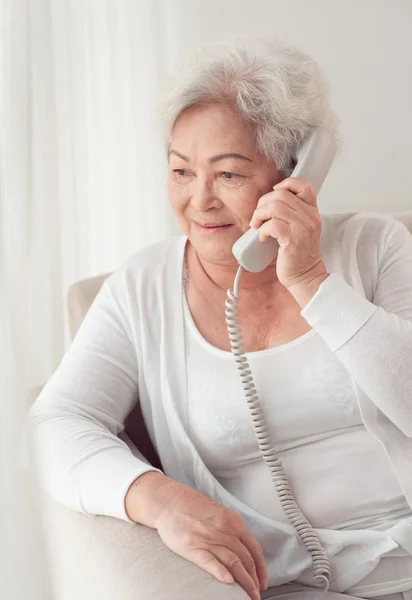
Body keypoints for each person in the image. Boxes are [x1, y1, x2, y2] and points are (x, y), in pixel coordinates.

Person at [29, 36, 412, 600]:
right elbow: (51, 425)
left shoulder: (375, 245)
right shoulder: (141, 288)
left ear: (295, 172)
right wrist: (158, 498)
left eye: (228, 174)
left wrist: (308, 279)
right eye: (182, 171)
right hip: (279, 585)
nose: (199, 200)